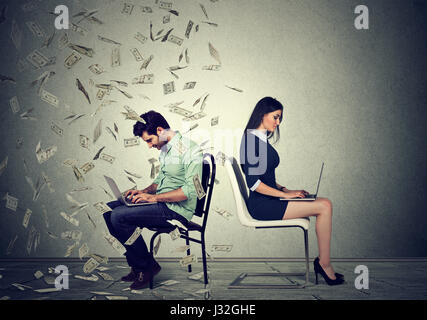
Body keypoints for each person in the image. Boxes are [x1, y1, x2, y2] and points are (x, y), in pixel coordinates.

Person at [239, 97, 344, 286]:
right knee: (325, 206)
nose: (278, 123)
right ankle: (324, 264)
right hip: (262, 206)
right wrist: (286, 195)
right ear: (262, 114)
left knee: (323, 203)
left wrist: (286, 189)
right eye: (275, 117)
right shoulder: (251, 141)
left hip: (270, 200)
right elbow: (254, 184)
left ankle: (324, 263)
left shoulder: (258, 140)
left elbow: (266, 178)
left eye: (280, 118)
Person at [103, 110, 203, 290]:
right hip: (160, 203)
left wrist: (152, 198)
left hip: (176, 210)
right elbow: (159, 182)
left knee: (118, 217)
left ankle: (146, 267)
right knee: (109, 211)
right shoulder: (166, 149)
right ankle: (140, 265)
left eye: (149, 140)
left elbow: (189, 191)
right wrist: (142, 192)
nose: (149, 146)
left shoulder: (191, 149)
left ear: (159, 130)